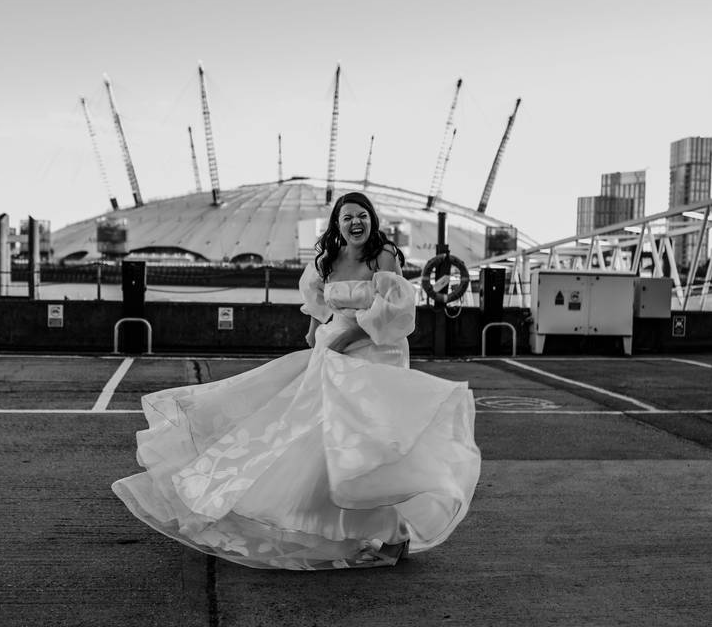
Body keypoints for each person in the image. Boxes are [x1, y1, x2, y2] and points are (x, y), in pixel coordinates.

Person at [112, 191, 481, 570]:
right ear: (337, 225)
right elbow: (318, 302)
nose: (356, 223)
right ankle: (359, 527)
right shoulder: (329, 260)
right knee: (316, 441)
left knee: (367, 443)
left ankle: (394, 532)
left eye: (362, 216)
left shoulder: (383, 256)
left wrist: (346, 338)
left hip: (375, 353)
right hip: (331, 351)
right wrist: (316, 332)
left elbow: (395, 313)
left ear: (372, 220)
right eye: (347, 217)